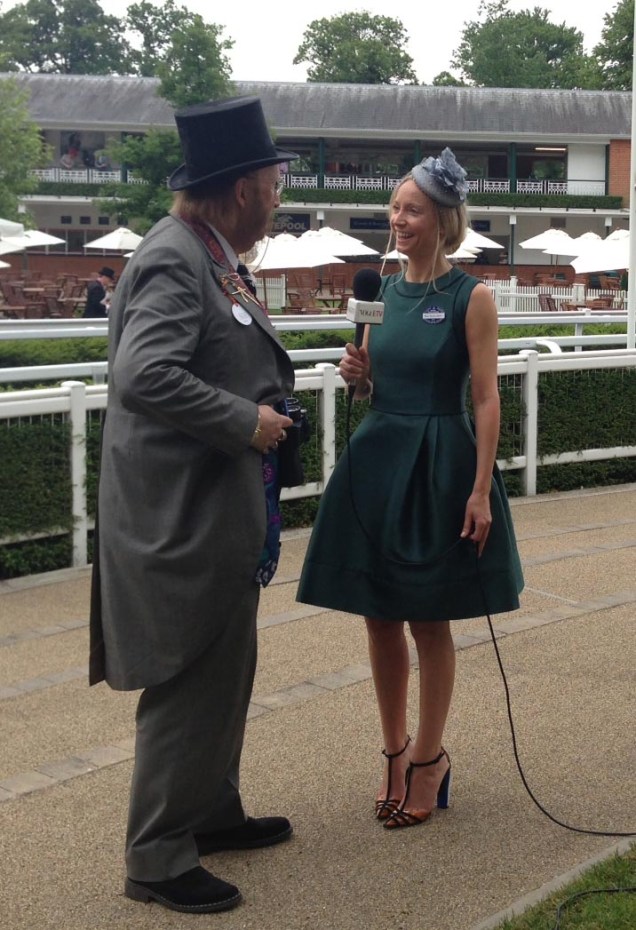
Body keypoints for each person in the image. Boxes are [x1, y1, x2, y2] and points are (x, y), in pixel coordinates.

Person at [89, 96, 298, 913]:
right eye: (274, 185)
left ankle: (208, 810)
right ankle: (157, 857)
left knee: (224, 670)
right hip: (182, 518)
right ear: (242, 188)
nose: (279, 199)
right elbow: (144, 374)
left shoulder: (208, 251)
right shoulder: (177, 256)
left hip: (214, 512)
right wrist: (248, 420)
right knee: (188, 680)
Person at [297, 148, 524, 831]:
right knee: (378, 614)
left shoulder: (470, 296)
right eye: (396, 207)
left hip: (442, 464)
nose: (399, 219)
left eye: (413, 209)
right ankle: (393, 752)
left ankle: (430, 759)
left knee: (430, 619)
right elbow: (370, 384)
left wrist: (481, 491)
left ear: (443, 219)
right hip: (378, 460)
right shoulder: (377, 293)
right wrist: (356, 374)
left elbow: (485, 401)